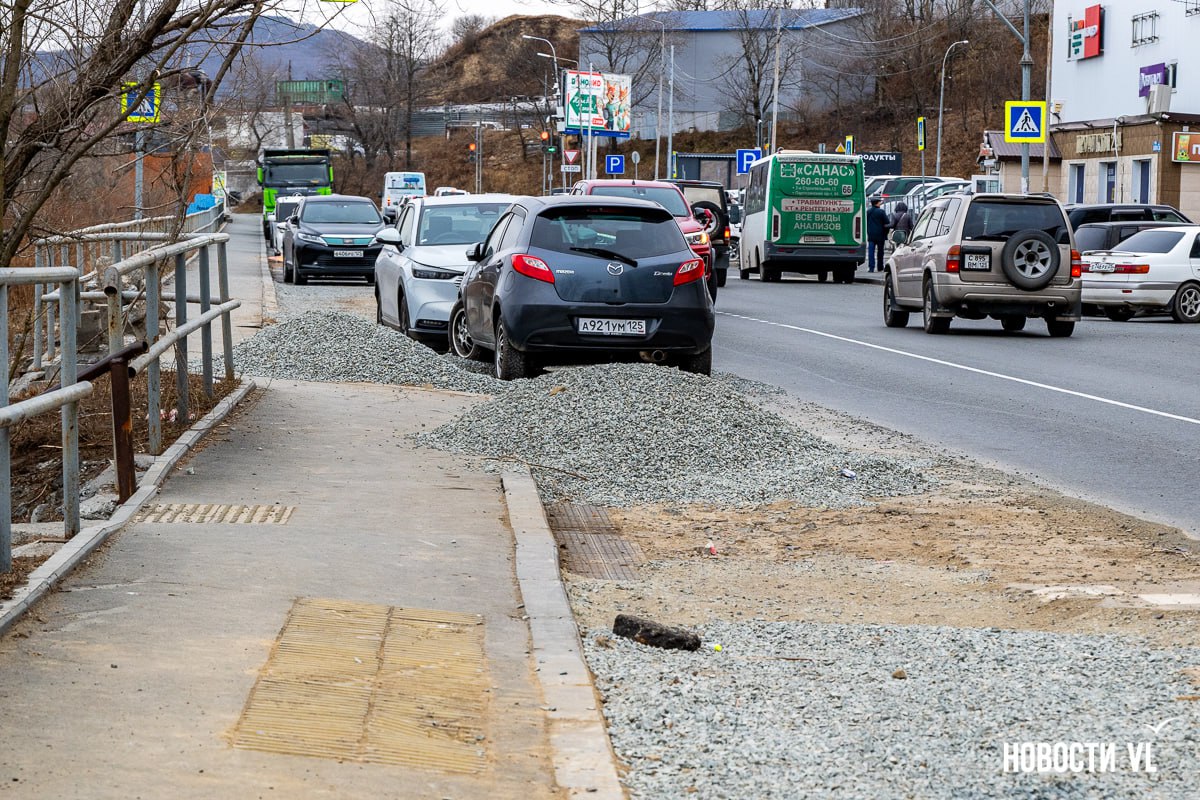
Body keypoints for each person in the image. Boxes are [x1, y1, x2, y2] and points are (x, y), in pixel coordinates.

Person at [866, 196, 890, 273]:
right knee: (880, 252)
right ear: (877, 203)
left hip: (871, 234)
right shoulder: (881, 212)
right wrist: (885, 233)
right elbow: (887, 223)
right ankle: (880, 267)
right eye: (879, 201)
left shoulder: (868, 212)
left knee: (871, 252)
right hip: (880, 234)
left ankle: (871, 267)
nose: (880, 203)